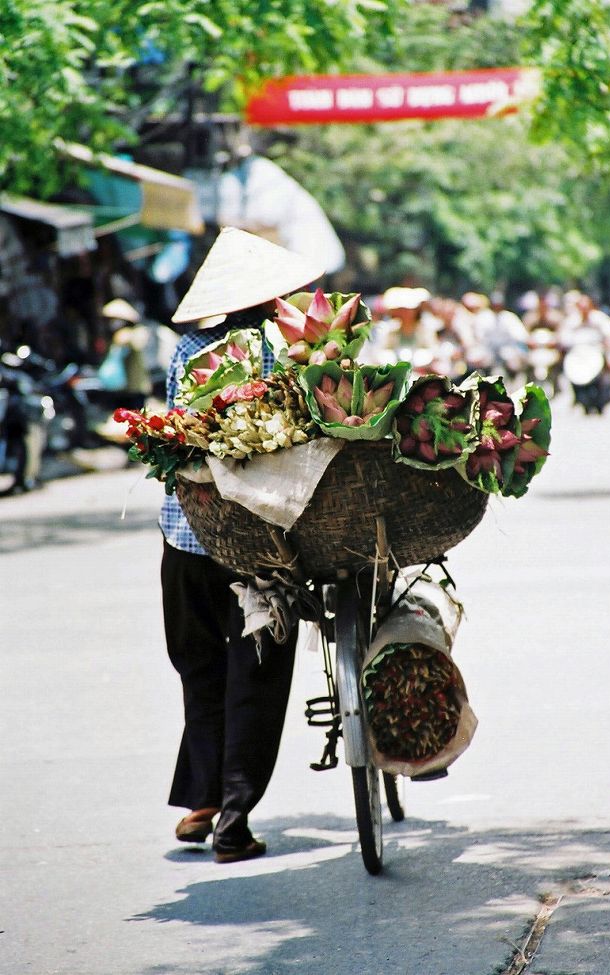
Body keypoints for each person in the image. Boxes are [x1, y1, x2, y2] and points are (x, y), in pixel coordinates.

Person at [160, 227, 324, 862]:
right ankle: (231, 817)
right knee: (255, 674)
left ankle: (202, 799)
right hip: (255, 543)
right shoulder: (278, 352)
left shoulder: (189, 348)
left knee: (198, 670)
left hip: (185, 532)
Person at [100, 299, 153, 409]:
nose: (111, 323)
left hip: (136, 386)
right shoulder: (117, 336)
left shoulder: (131, 334)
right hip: (125, 388)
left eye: (114, 319)